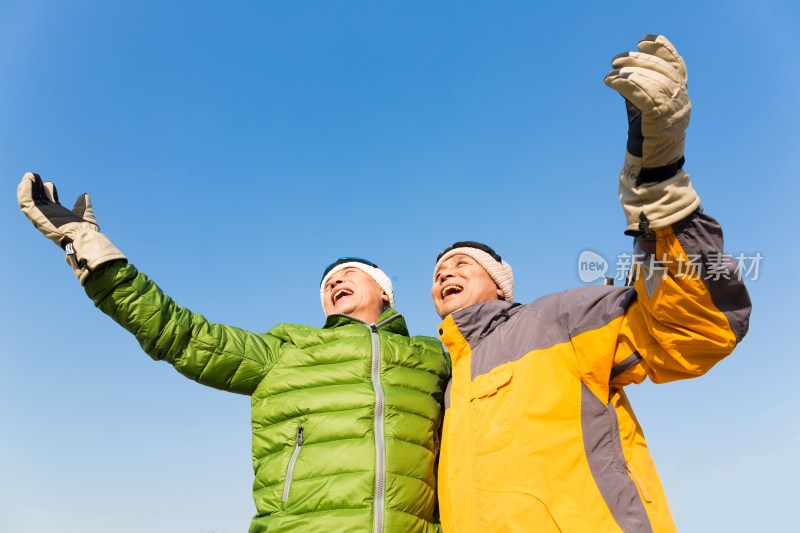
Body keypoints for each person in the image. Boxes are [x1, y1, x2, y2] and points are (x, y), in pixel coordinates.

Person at [429, 35, 752, 533]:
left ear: (499, 285)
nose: (445, 274)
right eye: (437, 274)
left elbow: (692, 332)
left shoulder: (555, 320)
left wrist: (661, 191)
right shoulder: (447, 382)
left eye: (461, 265)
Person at [16, 173, 450, 533]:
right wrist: (92, 251)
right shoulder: (287, 350)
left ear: (385, 292)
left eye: (349, 274)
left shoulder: (433, 357)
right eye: (328, 285)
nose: (335, 282)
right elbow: (179, 333)